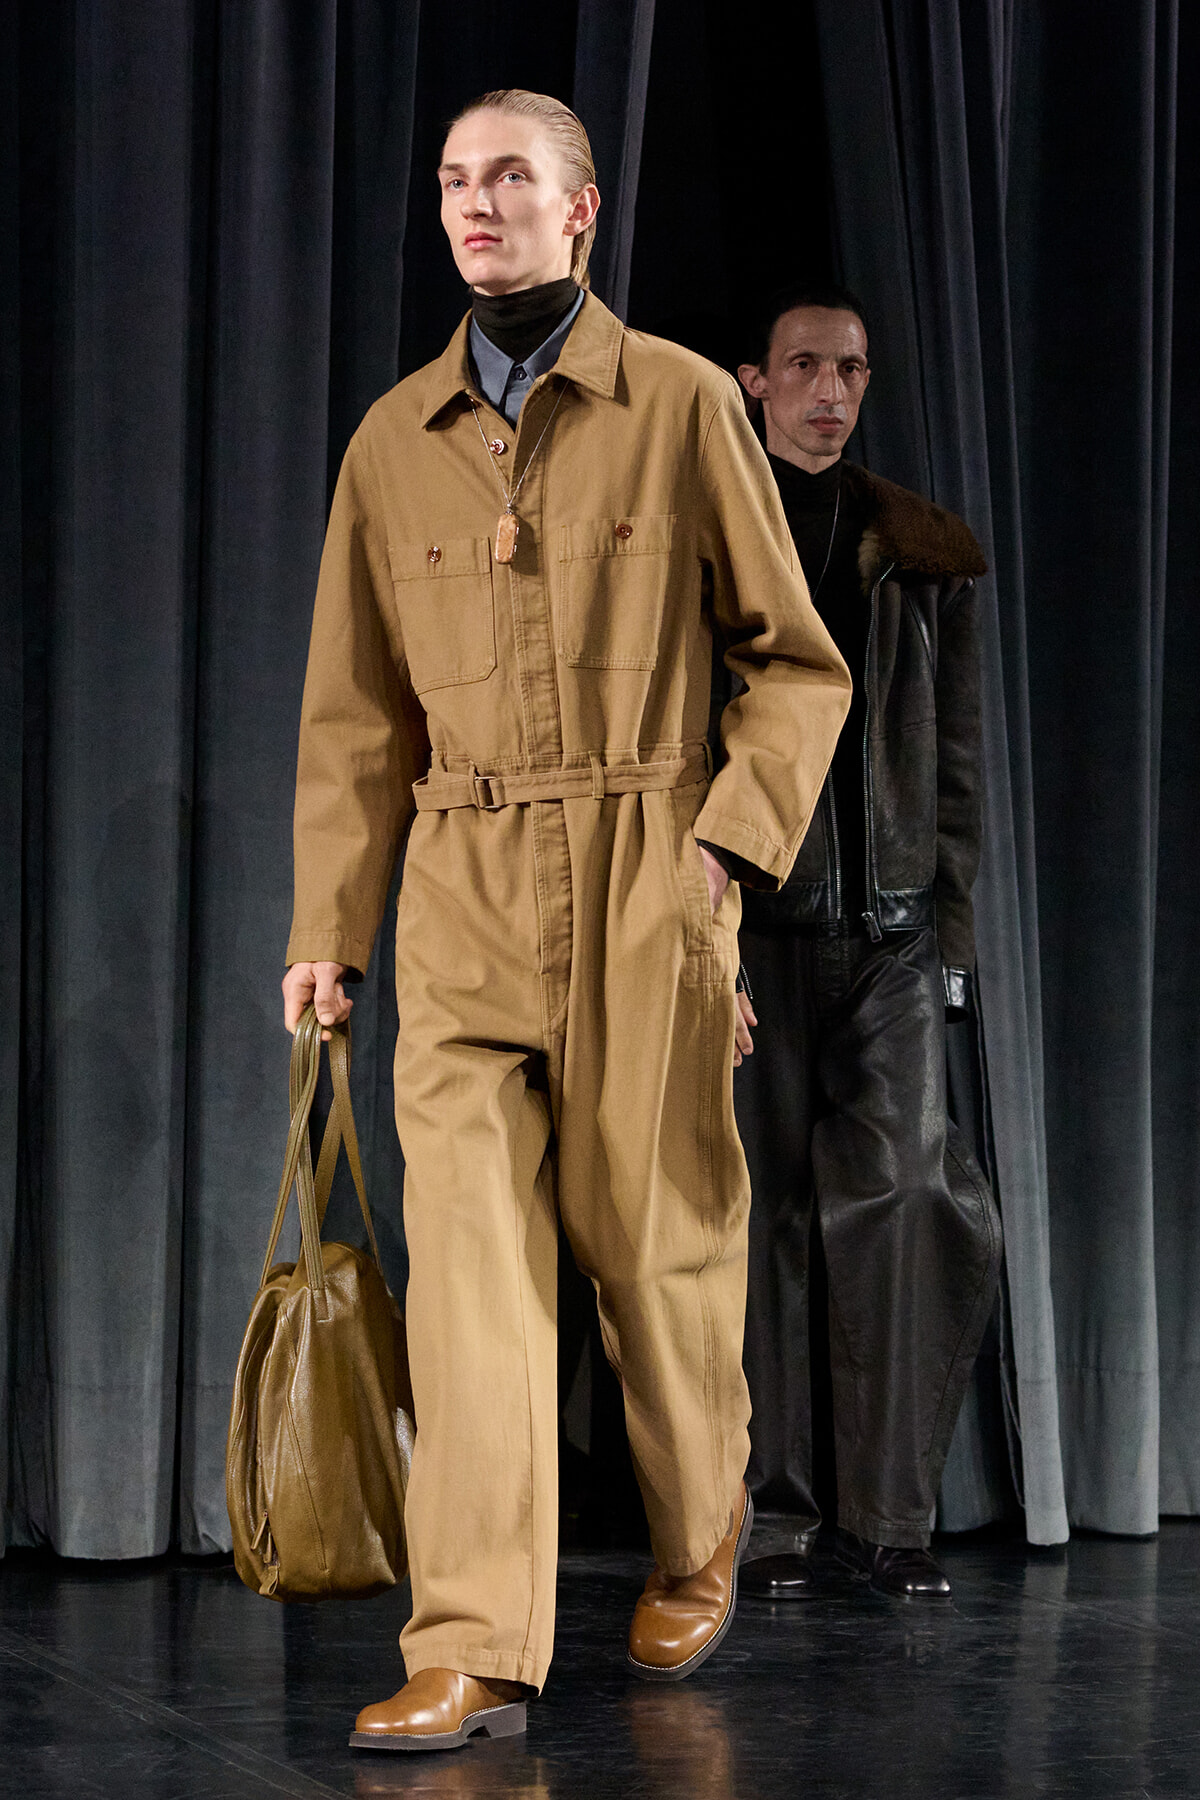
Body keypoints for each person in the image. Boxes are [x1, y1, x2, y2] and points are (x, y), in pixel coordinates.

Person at [282, 94, 850, 1752]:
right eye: (455, 182)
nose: (476, 204)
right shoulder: (394, 441)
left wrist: (720, 862)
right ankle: (471, 1640)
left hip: (641, 868)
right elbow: (351, 716)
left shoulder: (677, 401)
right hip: (462, 882)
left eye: (509, 177)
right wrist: (333, 927)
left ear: (580, 208)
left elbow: (796, 666)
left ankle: (701, 1527)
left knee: (654, 1252)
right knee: (465, 1283)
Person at [731, 284, 1003, 1601]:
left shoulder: (918, 549)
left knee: (900, 1205)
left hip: (889, 936)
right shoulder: (713, 539)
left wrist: (948, 943)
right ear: (755, 382)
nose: (830, 390)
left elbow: (955, 767)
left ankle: (888, 1519)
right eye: (804, 367)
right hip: (753, 931)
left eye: (849, 369)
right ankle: (775, 1519)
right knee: (765, 1224)